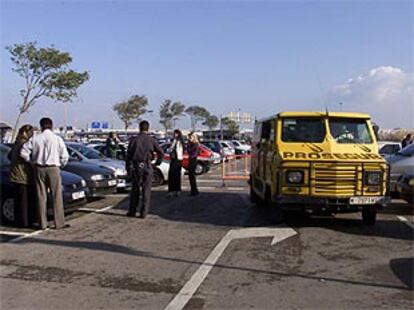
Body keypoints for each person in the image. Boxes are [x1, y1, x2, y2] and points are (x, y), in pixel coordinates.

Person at [20, 117, 69, 230]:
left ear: (41, 126)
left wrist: (31, 161)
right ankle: (59, 222)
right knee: (56, 195)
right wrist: (60, 165)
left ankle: (43, 223)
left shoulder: (35, 139)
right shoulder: (57, 139)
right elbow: (65, 156)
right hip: (53, 167)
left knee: (41, 196)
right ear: (51, 126)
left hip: (39, 168)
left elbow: (23, 152)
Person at [126, 120, 164, 218]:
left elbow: (128, 156)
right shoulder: (152, 140)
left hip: (136, 166)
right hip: (147, 165)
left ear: (139, 128)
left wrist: (128, 169)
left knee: (135, 189)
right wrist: (156, 163)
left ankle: (132, 211)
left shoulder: (133, 140)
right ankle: (144, 212)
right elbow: (161, 153)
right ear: (148, 128)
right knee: (146, 190)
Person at [9, 125, 35, 227]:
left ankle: (19, 221)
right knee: (25, 201)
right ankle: (25, 222)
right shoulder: (24, 144)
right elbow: (27, 157)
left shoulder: (16, 143)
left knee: (19, 200)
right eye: (30, 132)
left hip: (15, 175)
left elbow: (9, 156)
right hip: (23, 175)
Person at [168, 129, 184, 197]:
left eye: (176, 134)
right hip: (173, 159)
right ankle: (171, 190)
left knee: (177, 175)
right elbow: (170, 149)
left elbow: (181, 150)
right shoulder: (173, 141)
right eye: (174, 134)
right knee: (171, 175)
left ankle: (177, 190)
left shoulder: (180, 142)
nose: (175, 135)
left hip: (178, 160)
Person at [187, 132, 200, 196]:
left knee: (192, 176)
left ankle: (194, 191)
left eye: (190, 137)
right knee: (191, 176)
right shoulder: (193, 144)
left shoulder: (195, 144)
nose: (189, 139)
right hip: (191, 159)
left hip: (193, 160)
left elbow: (190, 151)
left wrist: (188, 145)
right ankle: (194, 190)